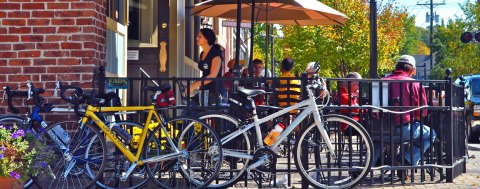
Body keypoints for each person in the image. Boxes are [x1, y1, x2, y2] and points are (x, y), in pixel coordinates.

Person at [374, 55, 437, 167]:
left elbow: (375, 109)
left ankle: (365, 167)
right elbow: (421, 113)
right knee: (431, 134)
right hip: (404, 130)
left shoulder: (380, 82)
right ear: (412, 70)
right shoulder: (415, 84)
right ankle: (406, 160)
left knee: (378, 141)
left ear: (397, 67)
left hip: (380, 129)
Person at [187, 28, 225, 106]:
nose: (197, 38)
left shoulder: (216, 54)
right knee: (189, 111)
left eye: (200, 36)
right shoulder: (202, 54)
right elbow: (205, 73)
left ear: (206, 39)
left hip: (215, 91)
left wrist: (194, 85)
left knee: (195, 113)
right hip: (205, 90)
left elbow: (212, 76)